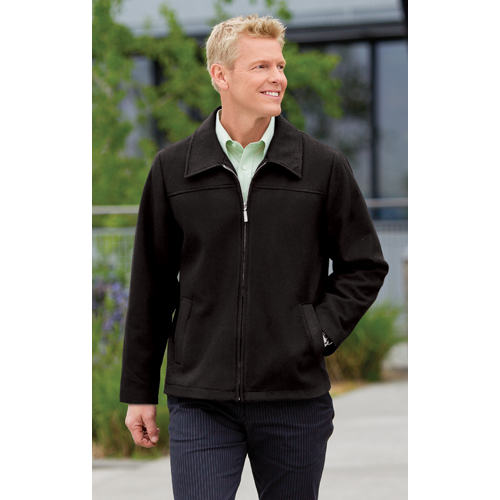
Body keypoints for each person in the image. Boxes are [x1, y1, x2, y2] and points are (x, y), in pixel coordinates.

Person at [120, 14, 388, 500]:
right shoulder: (173, 169)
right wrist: (139, 391)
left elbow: (364, 265)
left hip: (294, 397)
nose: (277, 77)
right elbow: (151, 285)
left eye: (280, 66)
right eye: (261, 66)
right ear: (220, 75)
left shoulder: (322, 167)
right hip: (201, 397)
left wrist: (317, 331)